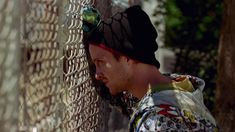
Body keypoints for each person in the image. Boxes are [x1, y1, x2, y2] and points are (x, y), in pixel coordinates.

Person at [83, 5, 218, 132]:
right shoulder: (180, 88)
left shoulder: (157, 122)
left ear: (127, 58)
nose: (97, 74)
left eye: (100, 62)